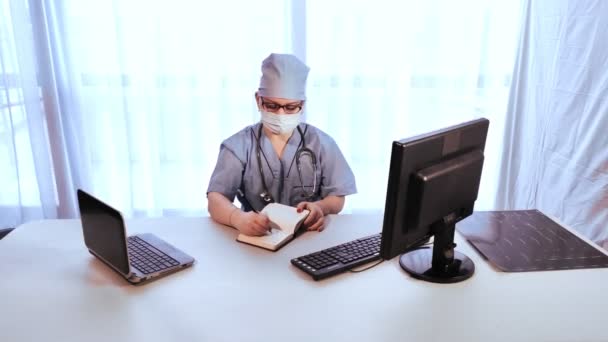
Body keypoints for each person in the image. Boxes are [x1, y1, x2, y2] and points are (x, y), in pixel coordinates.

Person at [207, 53, 357, 236]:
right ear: (258, 100)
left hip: (310, 236)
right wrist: (238, 218)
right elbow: (216, 198)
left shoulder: (322, 143)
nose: (280, 114)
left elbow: (337, 196)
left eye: (290, 107)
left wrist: (320, 207)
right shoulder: (237, 146)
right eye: (271, 105)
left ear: (302, 105)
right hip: (258, 237)